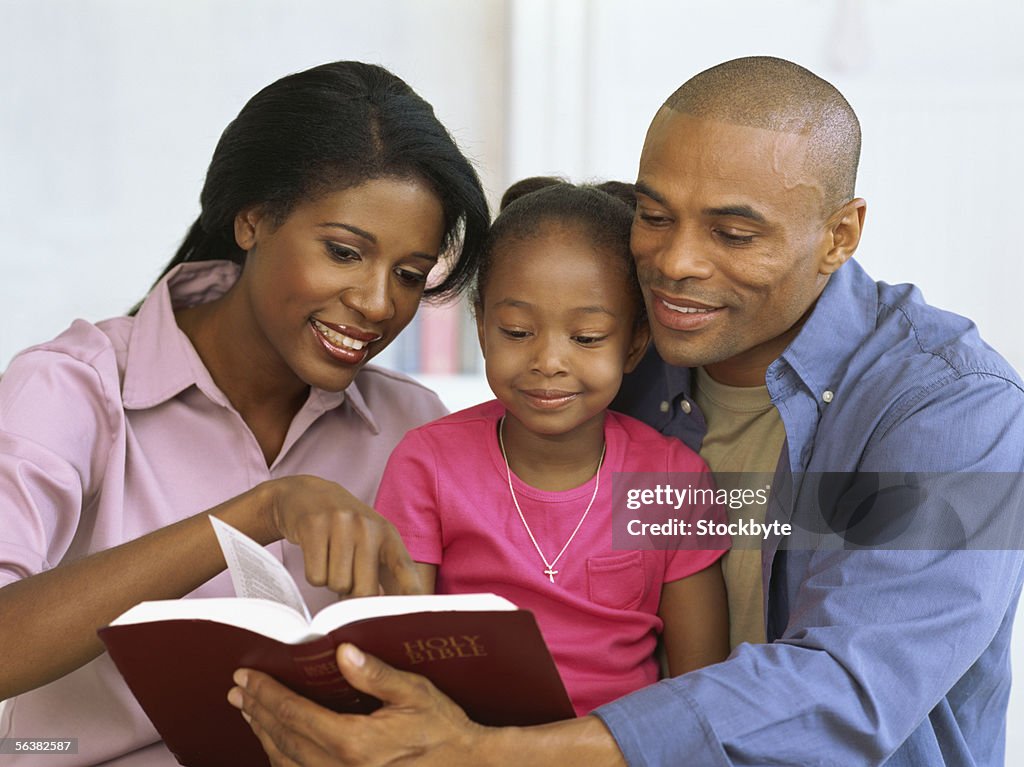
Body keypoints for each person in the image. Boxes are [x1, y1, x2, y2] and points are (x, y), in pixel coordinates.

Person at [228, 56, 1024, 767]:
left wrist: (485, 753)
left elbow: (849, 688)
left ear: (839, 234)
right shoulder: (623, 361)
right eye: (653, 215)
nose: (675, 262)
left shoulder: (960, 414)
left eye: (735, 232)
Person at [0, 61, 489, 766]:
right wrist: (258, 513)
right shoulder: (74, 387)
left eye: (409, 276)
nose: (379, 304)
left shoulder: (412, 426)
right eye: (344, 251)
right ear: (253, 217)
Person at [373, 178, 730, 716]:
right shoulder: (428, 463)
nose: (548, 362)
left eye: (586, 338)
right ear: (482, 328)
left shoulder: (671, 481)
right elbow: (397, 657)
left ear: (634, 344)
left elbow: (700, 687)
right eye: (517, 332)